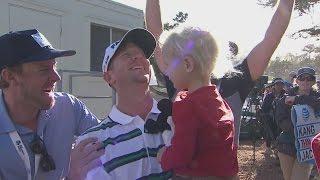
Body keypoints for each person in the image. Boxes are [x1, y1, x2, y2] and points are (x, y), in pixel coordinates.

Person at [146, 0, 295, 147]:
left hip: (212, 170)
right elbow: (155, 38)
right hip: (188, 170)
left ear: (187, 62)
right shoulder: (180, 76)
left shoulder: (234, 79)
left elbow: (272, 38)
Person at [0, 29, 103, 180]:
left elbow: (112, 143)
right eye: (44, 69)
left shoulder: (68, 106)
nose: (56, 77)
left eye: (54, 66)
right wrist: (70, 176)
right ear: (9, 76)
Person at [75, 28, 176, 179]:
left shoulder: (177, 116)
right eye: (127, 55)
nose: (137, 57)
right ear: (109, 77)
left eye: (142, 54)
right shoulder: (92, 142)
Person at [151, 26, 237, 178]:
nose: (166, 72)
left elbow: (181, 154)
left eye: (169, 65)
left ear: (187, 64)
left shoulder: (188, 105)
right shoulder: (220, 102)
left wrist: (163, 156)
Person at [275, 67, 320, 180]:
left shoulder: (317, 98)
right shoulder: (284, 98)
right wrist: (297, 129)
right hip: (286, 146)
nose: (305, 81)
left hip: (307, 148)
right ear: (297, 80)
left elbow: (317, 103)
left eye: (309, 79)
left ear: (314, 81)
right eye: (302, 78)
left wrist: (296, 99)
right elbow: (280, 120)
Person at [261, 77, 285, 148]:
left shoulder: (286, 95)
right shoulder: (269, 96)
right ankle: (268, 147)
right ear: (274, 85)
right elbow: (264, 108)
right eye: (277, 84)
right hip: (271, 117)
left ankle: (280, 148)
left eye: (281, 84)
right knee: (269, 131)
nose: (279, 86)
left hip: (282, 117)